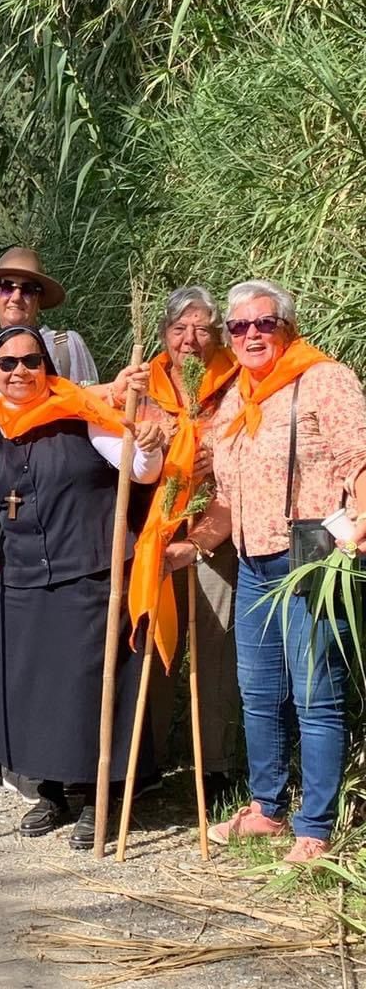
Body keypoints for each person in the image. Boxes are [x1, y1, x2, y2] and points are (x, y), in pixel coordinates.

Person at [0, 325, 164, 847]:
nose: (19, 372)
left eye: (30, 361)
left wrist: (147, 444)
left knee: (86, 688)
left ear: (47, 367)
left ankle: (94, 793)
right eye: (7, 364)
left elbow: (140, 473)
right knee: (35, 691)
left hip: (90, 572)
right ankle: (51, 792)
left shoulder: (84, 419)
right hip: (25, 580)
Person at [166, 280, 366, 863]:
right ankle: (266, 808)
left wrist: (357, 528)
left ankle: (316, 826)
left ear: (287, 326)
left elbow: (361, 460)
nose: (251, 334)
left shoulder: (323, 379)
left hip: (313, 559)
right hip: (254, 563)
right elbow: (227, 499)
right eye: (239, 327)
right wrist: (195, 547)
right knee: (259, 692)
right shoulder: (237, 400)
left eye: (264, 323)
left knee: (315, 695)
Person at [127, 287, 240, 798]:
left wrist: (219, 457)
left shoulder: (238, 381)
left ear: (216, 336)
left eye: (201, 329)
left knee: (216, 646)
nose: (189, 340)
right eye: (179, 329)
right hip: (155, 532)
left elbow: (250, 444)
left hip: (218, 527)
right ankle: (147, 758)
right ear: (164, 335)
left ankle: (214, 765)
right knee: (153, 637)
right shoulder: (142, 386)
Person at [0, 247, 99, 385]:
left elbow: (90, 401)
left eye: (28, 289)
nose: (16, 297)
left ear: (39, 299)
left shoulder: (65, 346)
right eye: (6, 287)